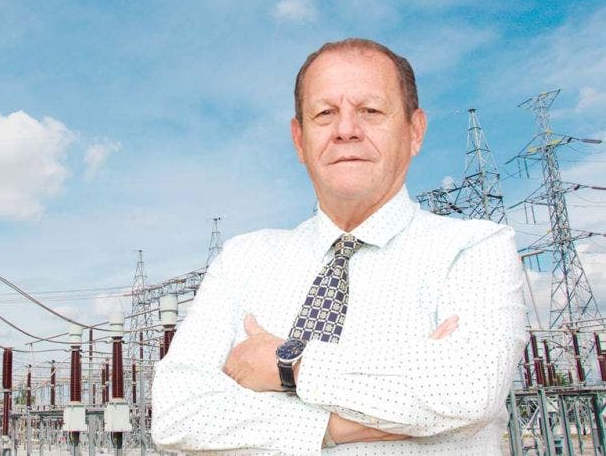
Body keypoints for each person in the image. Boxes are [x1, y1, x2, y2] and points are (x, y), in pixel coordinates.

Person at [151, 38, 527, 455]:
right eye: (325, 113)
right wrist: (345, 424)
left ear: (414, 131)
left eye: (371, 111)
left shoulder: (474, 249)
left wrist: (284, 362)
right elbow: (175, 416)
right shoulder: (244, 260)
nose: (347, 130)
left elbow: (467, 389)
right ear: (299, 139)